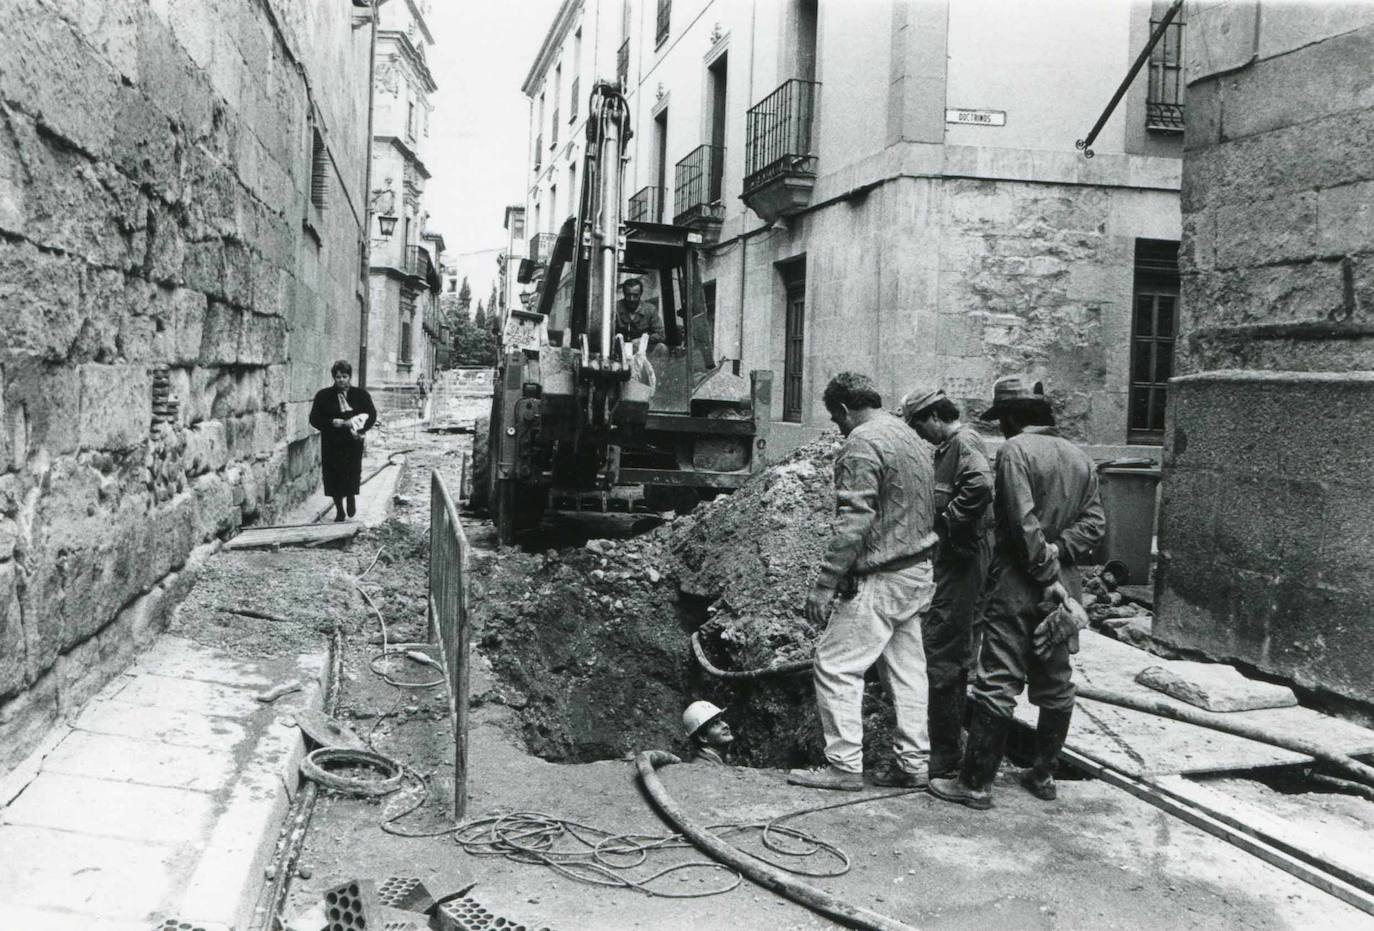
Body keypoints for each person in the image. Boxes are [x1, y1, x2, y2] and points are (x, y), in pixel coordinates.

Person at [929, 375, 1105, 810]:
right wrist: (1060, 557)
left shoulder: (1014, 452)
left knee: (998, 679)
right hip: (1065, 584)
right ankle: (1043, 774)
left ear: (1011, 418)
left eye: (1002, 420)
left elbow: (1022, 523)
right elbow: (1095, 525)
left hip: (1021, 584)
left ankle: (975, 784)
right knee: (1056, 679)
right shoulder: (1080, 457)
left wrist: (1044, 569)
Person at [788, 373, 939, 791]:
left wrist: (825, 584)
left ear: (842, 409)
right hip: (918, 570)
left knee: (836, 665)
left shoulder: (861, 443)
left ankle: (843, 766)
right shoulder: (910, 437)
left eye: (836, 420)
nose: (838, 429)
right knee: (908, 671)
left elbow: (854, 522)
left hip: (881, 575)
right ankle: (914, 763)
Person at [901, 386, 994, 783]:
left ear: (935, 417)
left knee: (943, 655)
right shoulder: (948, 448)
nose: (921, 435)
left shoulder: (963, 442)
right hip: (956, 563)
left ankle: (944, 755)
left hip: (963, 563)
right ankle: (946, 747)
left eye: (920, 426)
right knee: (948, 653)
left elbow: (981, 487)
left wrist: (948, 522)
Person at [308, 360, 378, 523]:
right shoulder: (323, 396)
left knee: (351, 472)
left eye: (344, 376)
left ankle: (351, 497)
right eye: (338, 377)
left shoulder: (360, 395)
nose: (341, 380)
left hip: (352, 443)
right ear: (334, 377)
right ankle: (339, 509)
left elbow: (371, 415)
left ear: (349, 377)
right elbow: (314, 419)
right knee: (333, 476)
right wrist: (331, 423)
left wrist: (360, 429)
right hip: (331, 443)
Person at [615, 278, 666, 348]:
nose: (631, 299)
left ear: (640, 294)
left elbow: (661, 335)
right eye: (628, 295)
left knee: (662, 347)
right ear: (624, 294)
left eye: (635, 295)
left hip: (643, 351)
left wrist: (642, 340)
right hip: (619, 350)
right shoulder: (615, 308)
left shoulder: (650, 310)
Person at [682, 700, 734, 765]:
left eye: (721, 720)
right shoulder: (701, 767)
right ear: (703, 737)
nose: (725, 725)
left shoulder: (717, 761)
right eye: (716, 723)